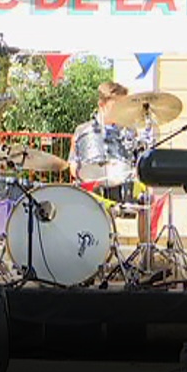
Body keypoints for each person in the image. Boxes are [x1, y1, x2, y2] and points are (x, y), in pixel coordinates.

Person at [67, 81, 151, 248]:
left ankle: (145, 251)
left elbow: (136, 162)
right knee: (85, 198)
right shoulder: (83, 131)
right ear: (102, 104)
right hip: (93, 187)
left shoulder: (128, 131)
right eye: (117, 105)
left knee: (147, 195)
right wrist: (87, 176)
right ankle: (93, 249)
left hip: (121, 183)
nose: (121, 110)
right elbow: (73, 164)